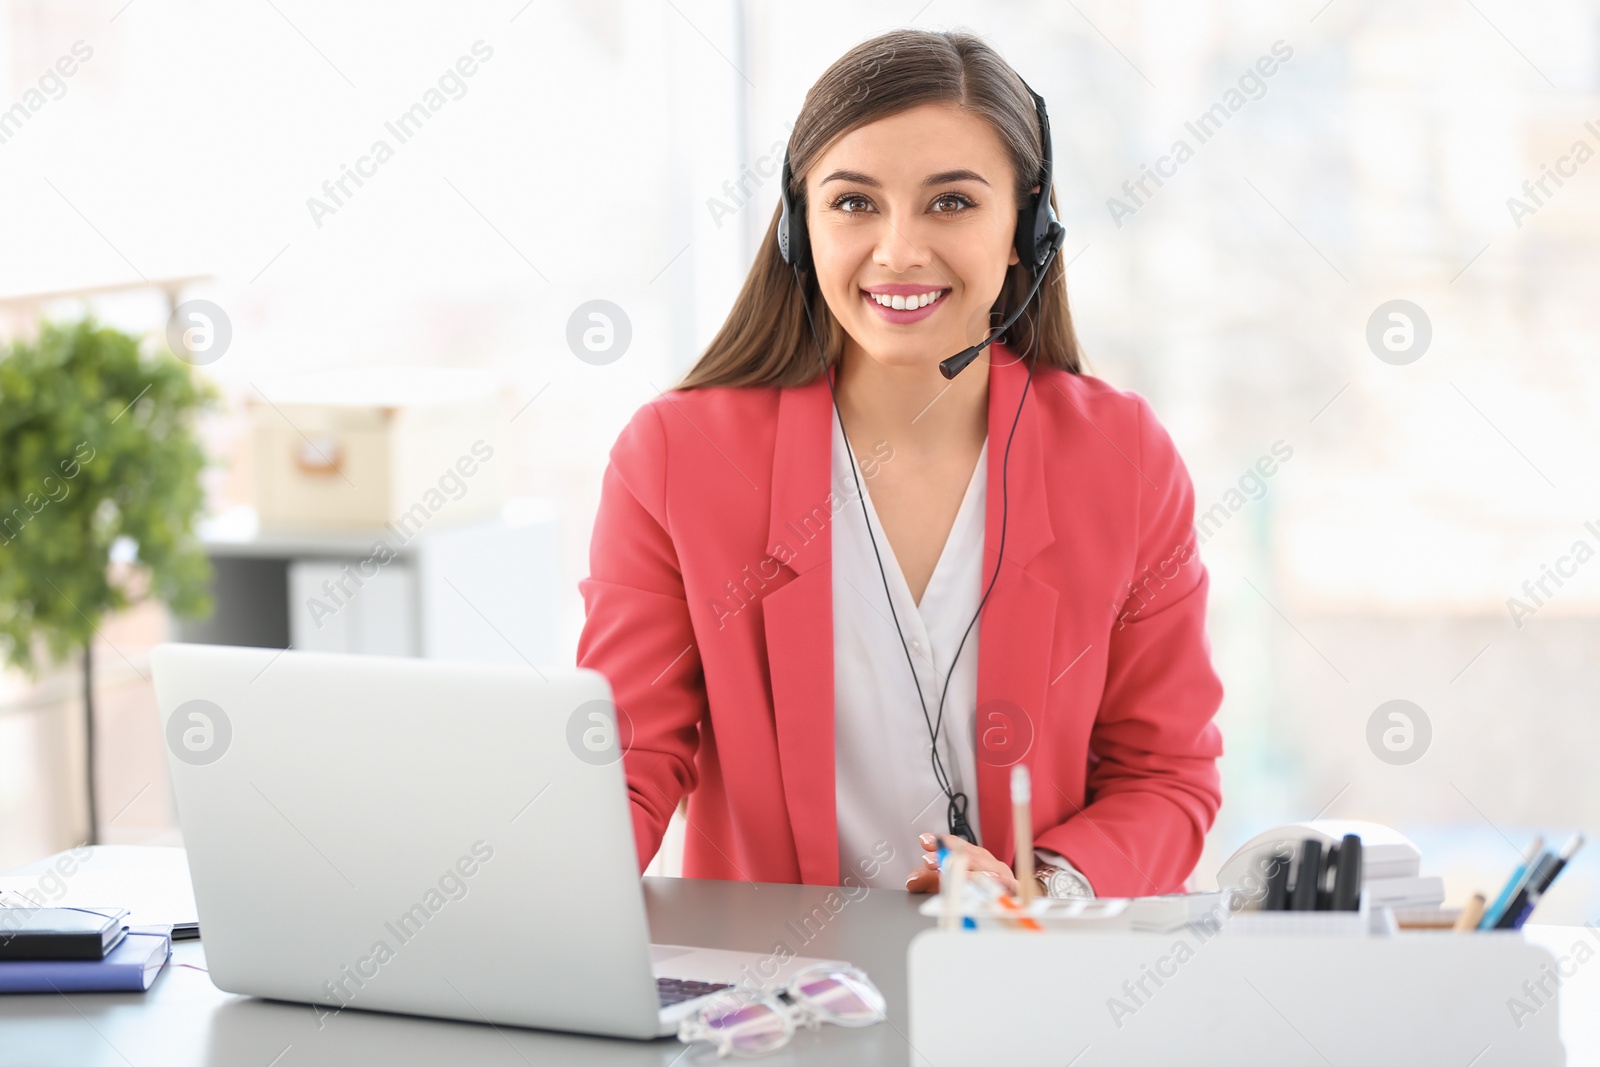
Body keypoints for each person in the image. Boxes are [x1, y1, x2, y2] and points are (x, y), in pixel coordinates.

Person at [577, 27, 1223, 900]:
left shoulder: (1122, 457)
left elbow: (1167, 775)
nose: (899, 251)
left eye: (951, 203)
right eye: (854, 203)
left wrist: (1045, 887)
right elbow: (625, 762)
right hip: (779, 1007)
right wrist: (547, 900)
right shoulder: (676, 457)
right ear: (800, 226)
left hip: (1024, 987)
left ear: (1025, 225)